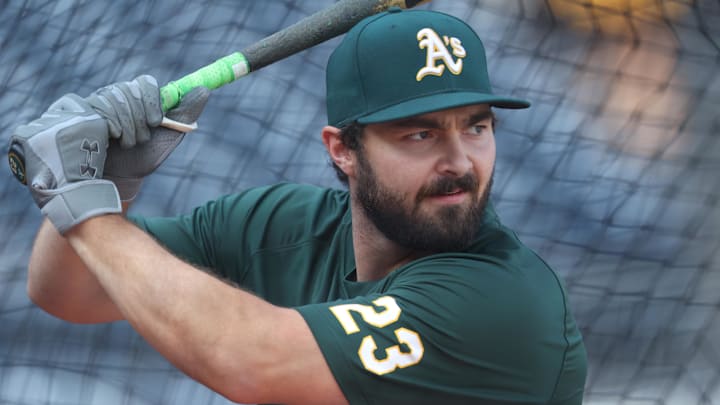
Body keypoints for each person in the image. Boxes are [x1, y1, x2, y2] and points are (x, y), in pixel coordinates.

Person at [11, 8, 587, 405]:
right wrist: (111, 186)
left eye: (477, 127)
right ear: (344, 151)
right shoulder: (282, 227)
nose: (461, 161)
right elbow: (68, 292)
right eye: (421, 135)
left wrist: (83, 203)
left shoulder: (506, 300)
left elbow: (250, 361)